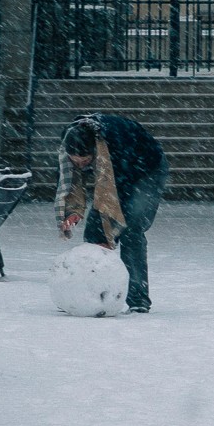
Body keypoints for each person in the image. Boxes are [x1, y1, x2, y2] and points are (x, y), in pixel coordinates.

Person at [55, 113, 169, 314]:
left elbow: (118, 195)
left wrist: (110, 234)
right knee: (93, 235)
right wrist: (73, 211)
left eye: (85, 161)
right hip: (119, 178)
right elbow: (71, 182)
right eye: (77, 161)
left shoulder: (115, 143)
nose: (81, 165)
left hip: (147, 172)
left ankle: (138, 300)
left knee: (132, 231)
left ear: (95, 152)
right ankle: (89, 296)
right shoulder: (69, 140)